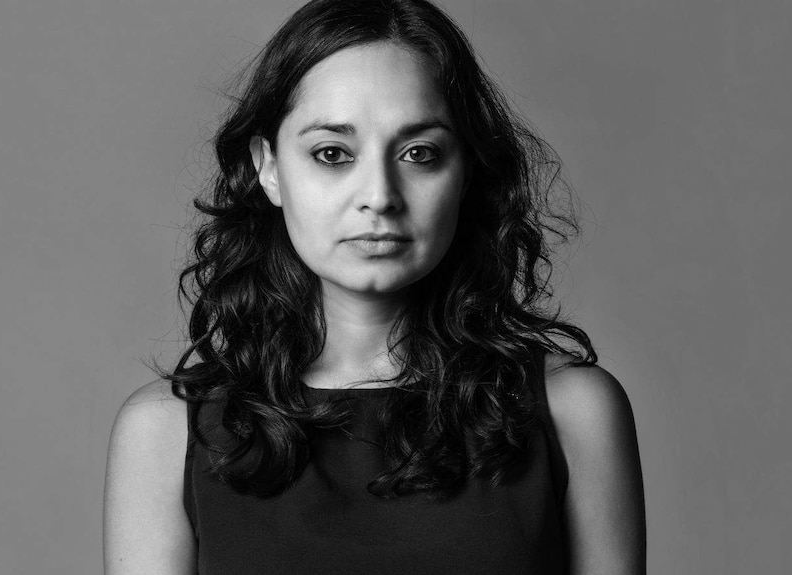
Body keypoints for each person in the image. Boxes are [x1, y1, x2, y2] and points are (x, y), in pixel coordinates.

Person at [103, 0, 646, 573]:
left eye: (419, 153)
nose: (380, 195)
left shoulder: (573, 411)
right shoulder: (163, 434)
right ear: (268, 167)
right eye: (332, 154)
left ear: (466, 171)